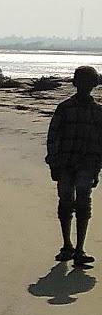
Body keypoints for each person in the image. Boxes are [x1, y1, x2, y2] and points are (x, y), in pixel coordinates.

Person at [46, 64, 102, 267]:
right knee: (66, 204)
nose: (85, 86)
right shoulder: (64, 108)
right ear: (76, 84)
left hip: (86, 165)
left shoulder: (98, 112)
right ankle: (68, 245)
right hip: (65, 165)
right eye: (83, 82)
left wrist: (97, 168)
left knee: (83, 205)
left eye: (89, 82)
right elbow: (53, 137)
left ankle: (79, 248)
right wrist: (53, 163)